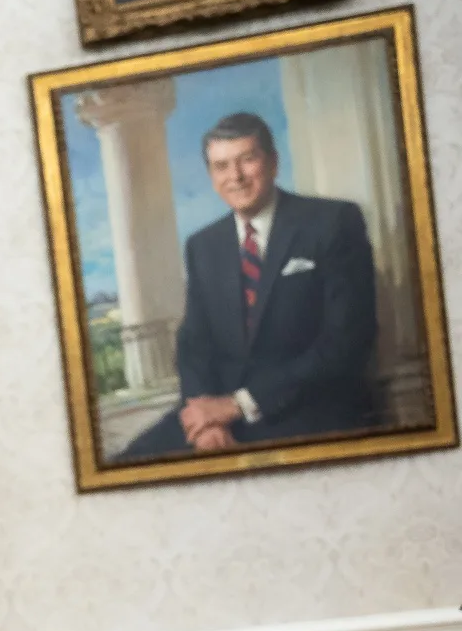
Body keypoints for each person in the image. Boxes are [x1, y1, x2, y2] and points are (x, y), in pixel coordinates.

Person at [124, 112, 378, 458]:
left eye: (247, 160)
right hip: (222, 418)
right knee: (127, 465)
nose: (236, 177)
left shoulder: (332, 223)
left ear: (273, 162)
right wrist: (208, 421)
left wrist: (239, 404)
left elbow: (346, 341)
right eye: (222, 166)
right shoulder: (203, 246)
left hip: (307, 409)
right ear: (211, 176)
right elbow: (194, 344)